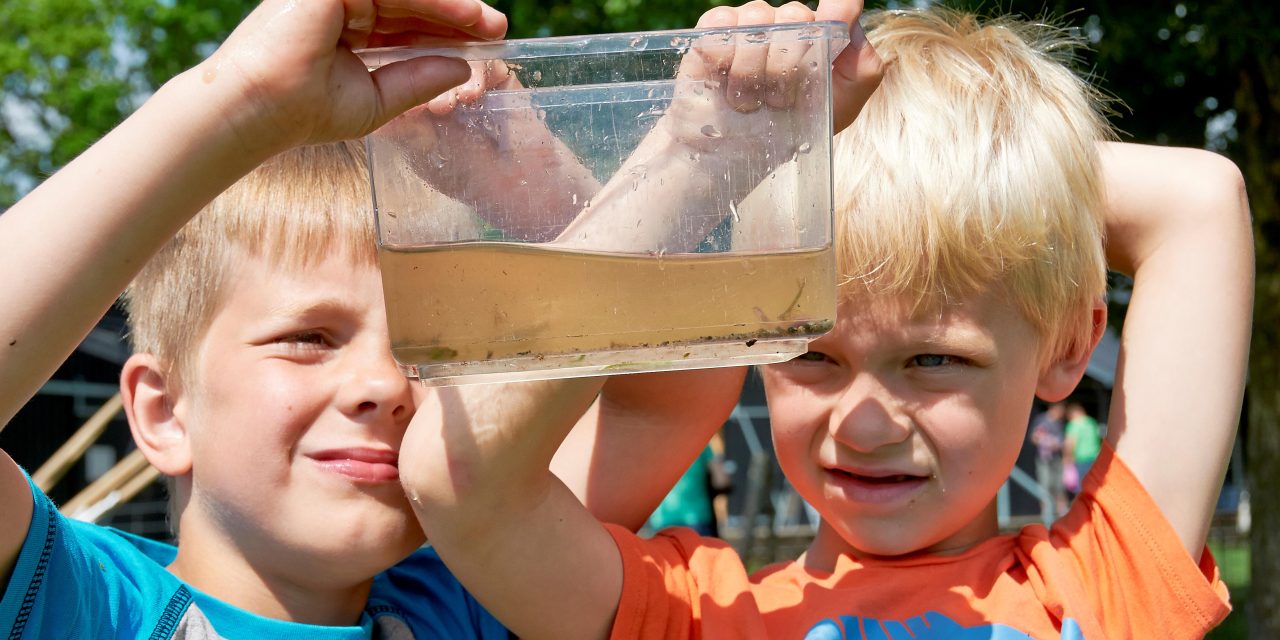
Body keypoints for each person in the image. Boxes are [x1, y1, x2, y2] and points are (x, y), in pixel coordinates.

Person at [396, 5, 1252, 639]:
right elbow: (457, 477)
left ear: (1068, 346)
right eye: (813, 357)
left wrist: (993, 170)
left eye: (934, 361)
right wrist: (700, 167)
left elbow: (1201, 201)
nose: (867, 420)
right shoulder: (699, 617)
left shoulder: (1107, 586)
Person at [0, 0, 748, 636]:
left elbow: (664, 388)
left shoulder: (474, 590)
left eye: (428, 344)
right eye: (309, 338)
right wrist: (242, 101)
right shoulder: (83, 604)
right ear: (163, 411)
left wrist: (532, 190)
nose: (384, 384)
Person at [1029, 402, 1068, 517]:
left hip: (1056, 458)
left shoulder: (1059, 423)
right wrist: (1046, 442)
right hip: (1044, 459)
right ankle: (1045, 513)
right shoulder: (1041, 420)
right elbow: (1033, 438)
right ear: (1054, 409)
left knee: (1059, 485)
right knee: (1045, 484)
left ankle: (1061, 512)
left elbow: (1062, 440)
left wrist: (1057, 444)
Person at [1064, 400, 1103, 497]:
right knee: (1095, 485)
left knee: (1082, 487)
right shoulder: (1092, 422)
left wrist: (1067, 458)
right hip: (1095, 457)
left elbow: (1070, 443)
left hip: (1081, 459)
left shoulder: (1074, 424)